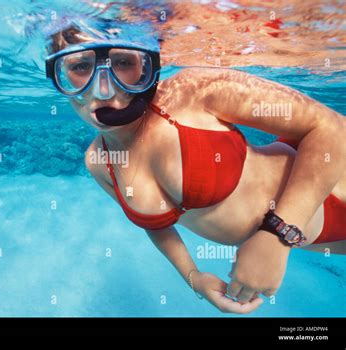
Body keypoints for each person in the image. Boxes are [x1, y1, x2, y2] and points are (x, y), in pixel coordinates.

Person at [44, 24, 346, 314]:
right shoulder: (98, 161)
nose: (105, 90)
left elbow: (331, 127)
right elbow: (155, 225)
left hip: (333, 191)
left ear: (149, 65)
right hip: (316, 239)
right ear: (59, 74)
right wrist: (193, 277)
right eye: (80, 68)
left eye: (123, 62)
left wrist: (278, 236)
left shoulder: (195, 91)